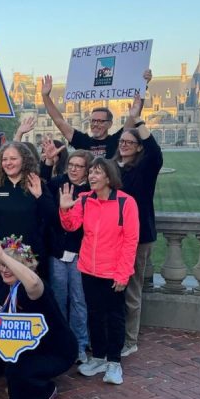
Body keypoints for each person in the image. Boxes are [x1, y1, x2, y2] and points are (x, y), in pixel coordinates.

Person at [59, 158, 139, 385]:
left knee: (114, 317)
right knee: (94, 315)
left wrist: (123, 274)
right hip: (88, 269)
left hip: (113, 272)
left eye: (97, 173)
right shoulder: (84, 200)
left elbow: (130, 241)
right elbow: (71, 226)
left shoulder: (126, 203)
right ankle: (99, 357)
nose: (91, 177)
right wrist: (65, 209)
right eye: (91, 172)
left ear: (109, 177)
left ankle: (114, 363)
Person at [0, 233, 77, 399]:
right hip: (30, 347)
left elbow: (33, 283)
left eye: (10, 265)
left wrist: (3, 255)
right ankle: (28, 380)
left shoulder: (34, 288)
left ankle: (47, 390)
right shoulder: (2, 288)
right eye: (2, 264)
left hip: (57, 350)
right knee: (0, 362)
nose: (5, 269)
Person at [114, 102, 163, 358]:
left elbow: (155, 152)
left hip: (138, 237)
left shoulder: (145, 168)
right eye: (121, 141)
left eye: (129, 142)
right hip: (112, 238)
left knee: (131, 290)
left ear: (138, 147)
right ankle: (114, 335)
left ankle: (130, 340)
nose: (123, 145)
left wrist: (137, 119)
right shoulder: (112, 169)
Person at [42, 146, 93, 364]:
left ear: (87, 169)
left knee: (79, 301)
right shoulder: (58, 183)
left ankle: (80, 344)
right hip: (57, 252)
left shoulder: (92, 190)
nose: (73, 169)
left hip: (81, 253)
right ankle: (63, 343)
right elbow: (40, 187)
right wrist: (47, 163)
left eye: (79, 166)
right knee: (59, 299)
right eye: (71, 165)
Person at [0, 143, 55, 285]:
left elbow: (52, 219)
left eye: (13, 158)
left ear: (24, 160)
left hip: (30, 257)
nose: (8, 163)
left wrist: (40, 197)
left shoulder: (36, 184)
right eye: (5, 159)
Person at [40, 71, 151, 158]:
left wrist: (143, 85)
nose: (95, 124)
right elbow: (60, 122)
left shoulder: (117, 141)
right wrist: (46, 96)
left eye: (100, 121)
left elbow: (133, 117)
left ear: (110, 124)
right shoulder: (83, 141)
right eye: (93, 120)